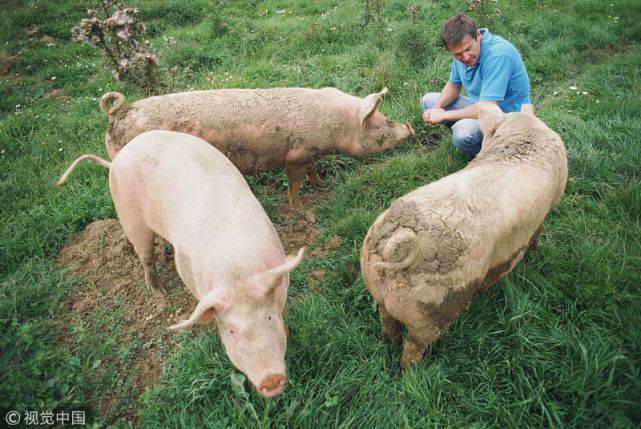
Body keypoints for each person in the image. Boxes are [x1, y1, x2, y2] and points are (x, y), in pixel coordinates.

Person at [421, 14, 531, 157]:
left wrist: (444, 115)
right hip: (481, 108)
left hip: (508, 120)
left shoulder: (498, 54)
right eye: (458, 54)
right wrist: (436, 109)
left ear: (478, 36)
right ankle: (476, 136)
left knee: (463, 133)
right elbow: (454, 86)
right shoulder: (462, 54)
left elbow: (487, 108)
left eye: (468, 49)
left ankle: (496, 156)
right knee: (429, 101)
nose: (465, 57)